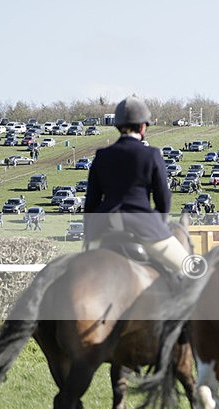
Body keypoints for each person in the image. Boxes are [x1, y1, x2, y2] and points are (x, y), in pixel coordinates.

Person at [84, 96, 189, 276]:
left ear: (118, 126)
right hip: (144, 226)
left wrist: (90, 234)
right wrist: (159, 223)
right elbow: (163, 197)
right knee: (192, 270)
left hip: (105, 227)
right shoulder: (151, 154)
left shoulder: (102, 156)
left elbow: (91, 202)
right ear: (142, 127)